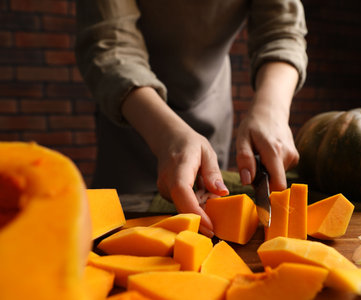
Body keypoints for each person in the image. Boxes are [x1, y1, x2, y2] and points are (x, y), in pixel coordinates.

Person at [75, 0, 308, 237]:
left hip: (210, 99)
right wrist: (165, 134)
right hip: (132, 111)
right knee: (114, 230)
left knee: (208, 209)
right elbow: (110, 43)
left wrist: (272, 111)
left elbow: (282, 31)